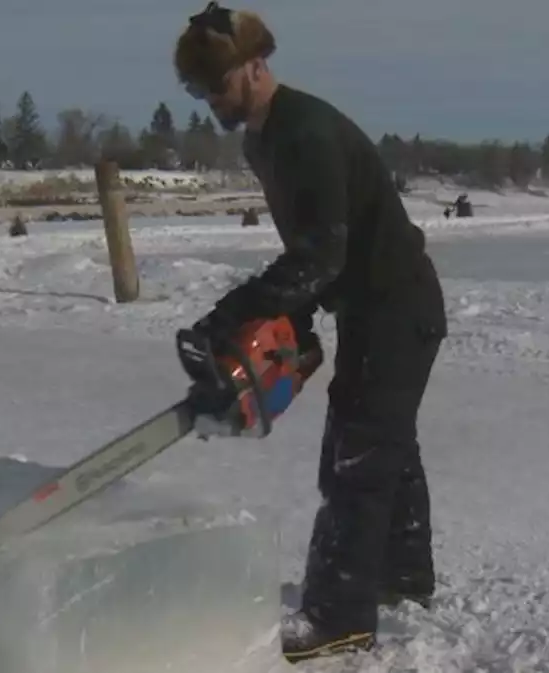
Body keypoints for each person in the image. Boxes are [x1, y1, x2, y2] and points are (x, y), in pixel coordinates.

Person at [172, 2, 449, 663]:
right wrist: (286, 318)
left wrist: (239, 309)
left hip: (397, 305)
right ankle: (402, 578)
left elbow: (321, 254)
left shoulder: (306, 133)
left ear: (255, 65)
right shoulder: (264, 137)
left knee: (356, 456)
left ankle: (339, 616)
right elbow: (317, 253)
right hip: (367, 305)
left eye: (215, 83)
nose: (210, 99)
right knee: (384, 441)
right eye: (197, 88)